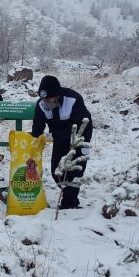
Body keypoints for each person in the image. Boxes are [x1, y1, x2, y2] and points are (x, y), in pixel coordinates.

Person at [31, 75, 92, 209]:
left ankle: (70, 204)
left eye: (49, 99)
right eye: (43, 98)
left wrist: (53, 135)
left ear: (57, 95)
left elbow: (79, 124)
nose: (46, 101)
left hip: (79, 137)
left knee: (74, 171)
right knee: (56, 170)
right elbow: (37, 127)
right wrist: (34, 137)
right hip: (59, 138)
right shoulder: (41, 104)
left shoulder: (73, 99)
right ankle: (67, 195)